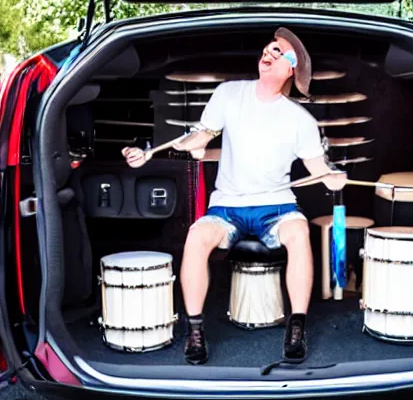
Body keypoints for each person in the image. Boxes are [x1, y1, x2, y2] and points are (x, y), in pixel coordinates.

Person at [123, 27, 347, 366]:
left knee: (299, 234)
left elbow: (321, 172)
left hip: (278, 207)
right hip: (226, 206)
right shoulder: (228, 94)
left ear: (292, 70)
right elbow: (199, 138)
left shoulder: (300, 120)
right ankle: (195, 331)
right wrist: (149, 153)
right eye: (269, 47)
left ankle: (296, 327)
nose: (269, 53)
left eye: (280, 53)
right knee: (197, 237)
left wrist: (334, 177)